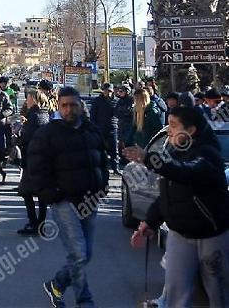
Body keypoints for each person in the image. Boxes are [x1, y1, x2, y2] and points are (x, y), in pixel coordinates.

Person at [128, 105, 229, 305]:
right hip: (179, 235)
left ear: (191, 131)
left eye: (174, 125)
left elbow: (186, 172)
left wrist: (149, 158)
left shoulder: (208, 154)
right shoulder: (173, 152)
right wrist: (149, 222)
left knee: (217, 292)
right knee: (176, 293)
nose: (169, 130)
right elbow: (168, 195)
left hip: (210, 235)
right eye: (168, 125)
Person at [28, 87, 109, 308]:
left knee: (85, 254)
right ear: (58, 106)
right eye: (64, 105)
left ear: (81, 106)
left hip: (90, 200)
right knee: (79, 254)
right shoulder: (47, 133)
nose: (69, 109)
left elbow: (102, 159)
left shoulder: (91, 130)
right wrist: (51, 194)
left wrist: (103, 185)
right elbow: (36, 167)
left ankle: (57, 284)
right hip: (65, 203)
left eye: (73, 105)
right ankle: (85, 300)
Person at [16, 89, 51, 235]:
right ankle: (40, 223)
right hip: (43, 159)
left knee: (26, 191)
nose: (26, 101)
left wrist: (17, 133)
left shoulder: (34, 116)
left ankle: (33, 222)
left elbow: (26, 138)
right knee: (41, 193)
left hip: (33, 158)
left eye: (29, 99)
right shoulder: (44, 114)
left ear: (34, 100)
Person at [89, 83, 119, 172]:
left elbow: (119, 114)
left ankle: (115, 167)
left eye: (110, 91)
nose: (108, 93)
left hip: (113, 127)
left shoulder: (116, 101)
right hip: (100, 127)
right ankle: (101, 166)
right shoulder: (97, 101)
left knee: (114, 149)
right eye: (106, 91)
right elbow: (93, 115)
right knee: (100, 148)